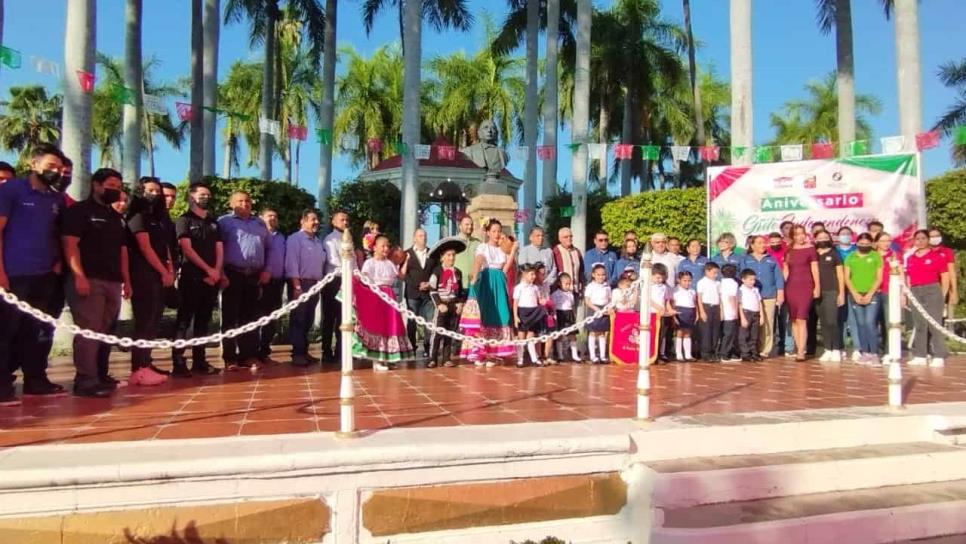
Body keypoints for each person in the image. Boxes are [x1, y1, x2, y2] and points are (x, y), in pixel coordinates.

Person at [0, 145, 68, 405]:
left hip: (44, 276)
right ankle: (2, 384)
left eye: (60, 169)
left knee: (36, 331)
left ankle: (35, 380)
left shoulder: (55, 199)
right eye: (51, 166)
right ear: (34, 164)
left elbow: (58, 234)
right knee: (6, 331)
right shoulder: (11, 190)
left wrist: (57, 264)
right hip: (13, 275)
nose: (56, 172)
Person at [61, 168, 129, 398]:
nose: (115, 190)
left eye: (119, 187)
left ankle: (99, 375)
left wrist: (125, 281)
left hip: (112, 281)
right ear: (96, 185)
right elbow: (70, 245)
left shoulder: (116, 217)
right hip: (89, 280)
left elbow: (122, 252)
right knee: (88, 331)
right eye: (110, 185)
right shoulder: (79, 212)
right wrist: (79, 276)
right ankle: (85, 380)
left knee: (103, 330)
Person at [125, 177, 174, 386]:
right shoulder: (137, 217)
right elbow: (145, 248)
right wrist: (163, 270)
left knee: (154, 322)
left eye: (157, 191)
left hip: (161, 274)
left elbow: (166, 247)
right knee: (144, 322)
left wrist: (170, 269)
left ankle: (147, 363)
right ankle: (138, 368)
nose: (154, 195)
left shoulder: (160, 218)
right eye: (150, 190)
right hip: (143, 274)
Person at [171, 182, 223, 377]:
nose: (206, 198)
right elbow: (186, 248)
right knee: (184, 321)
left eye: (208, 195)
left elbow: (219, 248)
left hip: (211, 279)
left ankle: (199, 361)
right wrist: (207, 269)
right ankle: (178, 361)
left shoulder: (213, 222)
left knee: (203, 321)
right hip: (191, 277)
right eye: (202, 194)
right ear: (191, 197)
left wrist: (216, 271)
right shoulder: (183, 220)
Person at [218, 191, 273, 371]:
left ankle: (247, 356)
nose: (245, 204)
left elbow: (269, 248)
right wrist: (221, 273)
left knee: (250, 317)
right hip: (232, 273)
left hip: (253, 276)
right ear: (231, 203)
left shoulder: (259, 223)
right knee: (230, 317)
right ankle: (229, 358)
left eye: (247, 200)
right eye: (240, 201)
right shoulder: (223, 222)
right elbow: (216, 250)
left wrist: (266, 270)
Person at [459, 219, 518, 365]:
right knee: (484, 315)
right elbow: (479, 261)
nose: (497, 234)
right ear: (487, 232)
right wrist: (475, 274)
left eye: (499, 231)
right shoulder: (482, 247)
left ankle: (494, 353)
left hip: (499, 281)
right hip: (486, 283)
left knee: (500, 314)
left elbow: (505, 268)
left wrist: (513, 251)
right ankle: (481, 353)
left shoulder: (502, 249)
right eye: (494, 231)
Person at [354, 235, 414, 370]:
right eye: (383, 246)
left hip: (389, 295)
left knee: (390, 326)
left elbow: (401, 276)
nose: (386, 249)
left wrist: (406, 261)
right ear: (375, 248)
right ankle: (377, 360)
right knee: (379, 327)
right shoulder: (369, 263)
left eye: (388, 246)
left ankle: (389, 357)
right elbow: (364, 279)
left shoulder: (390, 264)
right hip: (376, 295)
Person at [285, 209, 326, 367]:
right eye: (312, 219)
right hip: (300, 283)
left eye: (317, 220)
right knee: (298, 319)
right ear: (303, 221)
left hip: (315, 284)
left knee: (308, 319)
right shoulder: (295, 239)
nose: (315, 223)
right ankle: (297, 353)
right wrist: (296, 286)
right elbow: (292, 263)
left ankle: (304, 350)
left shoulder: (318, 241)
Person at [905, 230, 950, 367]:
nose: (920, 241)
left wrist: (942, 295)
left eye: (923, 238)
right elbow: (908, 277)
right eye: (917, 239)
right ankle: (921, 355)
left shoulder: (937, 256)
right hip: (915, 290)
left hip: (932, 289)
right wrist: (907, 294)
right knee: (919, 324)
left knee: (935, 324)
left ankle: (938, 355)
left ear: (928, 239)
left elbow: (945, 277)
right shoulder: (911, 258)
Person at [741, 235, 785, 358]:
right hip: (750, 298)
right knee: (751, 324)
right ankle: (750, 348)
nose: (762, 245)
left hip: (768, 295)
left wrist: (780, 293)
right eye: (759, 243)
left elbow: (778, 277)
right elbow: (742, 275)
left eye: (764, 243)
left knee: (767, 323)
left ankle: (764, 350)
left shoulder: (771, 259)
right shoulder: (745, 259)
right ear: (752, 245)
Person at [844, 233, 884, 364]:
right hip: (855, 294)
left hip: (872, 294)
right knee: (860, 324)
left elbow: (879, 277)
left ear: (871, 244)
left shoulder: (876, 256)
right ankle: (865, 352)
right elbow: (847, 277)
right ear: (857, 243)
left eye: (867, 244)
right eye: (862, 243)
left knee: (870, 323)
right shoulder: (851, 257)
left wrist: (870, 293)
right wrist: (854, 293)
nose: (864, 246)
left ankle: (874, 353)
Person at [783, 225, 820, 361]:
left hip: (806, 286)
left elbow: (815, 269)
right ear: (792, 236)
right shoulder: (789, 250)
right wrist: (783, 286)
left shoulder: (810, 249)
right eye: (797, 234)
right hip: (791, 286)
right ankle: (798, 347)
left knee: (801, 318)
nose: (800, 237)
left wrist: (817, 287)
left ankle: (801, 351)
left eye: (802, 234)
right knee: (794, 319)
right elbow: (786, 269)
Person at [256, 208, 287, 365]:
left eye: (275, 216)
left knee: (272, 318)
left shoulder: (281, 237)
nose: (273, 218)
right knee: (257, 317)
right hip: (261, 281)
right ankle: (252, 353)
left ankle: (264, 351)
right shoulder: (258, 234)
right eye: (269, 216)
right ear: (261, 217)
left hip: (278, 282)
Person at [427, 244, 464, 368]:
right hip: (442, 304)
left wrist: (460, 303)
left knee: (449, 333)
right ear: (442, 257)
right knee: (437, 332)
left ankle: (446, 358)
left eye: (453, 255)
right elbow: (432, 290)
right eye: (448, 255)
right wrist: (439, 304)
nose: (451, 258)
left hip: (453, 304)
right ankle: (432, 358)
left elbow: (460, 291)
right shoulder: (437, 271)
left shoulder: (458, 272)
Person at [321, 211, 351, 363]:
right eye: (342, 220)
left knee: (343, 316)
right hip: (333, 280)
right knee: (329, 317)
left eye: (346, 220)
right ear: (333, 222)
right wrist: (347, 267)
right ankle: (326, 351)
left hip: (347, 280)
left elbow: (352, 260)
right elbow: (333, 260)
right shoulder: (329, 240)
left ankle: (341, 350)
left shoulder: (349, 239)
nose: (345, 222)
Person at [401, 228, 434, 358]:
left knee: (430, 322)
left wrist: (429, 284)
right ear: (414, 238)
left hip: (428, 294)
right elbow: (403, 274)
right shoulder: (406, 254)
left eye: (425, 236)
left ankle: (428, 347)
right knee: (411, 322)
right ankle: (411, 347)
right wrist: (416, 285)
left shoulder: (432, 253)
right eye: (420, 236)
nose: (423, 238)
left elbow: (436, 270)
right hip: (412, 294)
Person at [814, 230, 845, 362]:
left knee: (832, 321)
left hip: (832, 291)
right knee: (824, 322)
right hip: (817, 292)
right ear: (815, 240)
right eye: (820, 238)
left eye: (825, 237)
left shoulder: (834, 254)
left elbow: (840, 275)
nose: (823, 240)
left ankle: (837, 349)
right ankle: (827, 349)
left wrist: (841, 293)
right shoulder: (813, 254)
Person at [513, 264, 547, 367]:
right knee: (522, 337)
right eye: (531, 274)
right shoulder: (519, 288)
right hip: (523, 312)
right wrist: (515, 316)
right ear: (524, 274)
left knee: (531, 336)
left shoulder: (535, 288)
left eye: (534, 274)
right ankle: (520, 359)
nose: (534, 276)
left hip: (533, 312)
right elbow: (515, 303)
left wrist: (543, 302)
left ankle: (534, 358)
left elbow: (539, 299)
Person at [834, 226, 859, 358]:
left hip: (853, 287)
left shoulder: (856, 250)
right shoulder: (834, 250)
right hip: (838, 288)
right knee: (840, 319)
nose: (845, 236)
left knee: (853, 319)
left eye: (847, 234)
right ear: (838, 236)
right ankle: (840, 347)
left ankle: (857, 347)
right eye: (842, 234)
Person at [584, 263, 612, 364]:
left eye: (603, 274)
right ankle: (592, 356)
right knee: (593, 332)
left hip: (604, 310)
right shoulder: (590, 286)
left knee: (602, 333)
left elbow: (609, 299)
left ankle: (602, 355)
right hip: (594, 309)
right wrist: (596, 309)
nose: (601, 277)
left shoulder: (607, 286)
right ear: (593, 275)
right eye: (598, 274)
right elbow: (587, 301)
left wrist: (608, 308)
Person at [929, 228, 958, 319]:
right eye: (932, 236)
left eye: (937, 236)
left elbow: (952, 272)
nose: (935, 238)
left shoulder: (947, 252)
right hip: (929, 288)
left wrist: (954, 291)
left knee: (946, 315)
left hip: (945, 287)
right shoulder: (925, 252)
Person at [875, 231, 898, 349]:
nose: (886, 243)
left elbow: (900, 273)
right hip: (874, 292)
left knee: (888, 321)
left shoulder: (893, 255)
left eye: (888, 241)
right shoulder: (872, 255)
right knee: (874, 321)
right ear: (877, 242)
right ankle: (873, 349)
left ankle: (889, 349)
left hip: (889, 291)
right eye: (883, 241)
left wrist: (902, 293)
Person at [551, 273, 580, 362]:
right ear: (560, 283)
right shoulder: (555, 294)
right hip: (560, 314)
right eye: (566, 284)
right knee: (559, 335)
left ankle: (575, 355)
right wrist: (554, 315)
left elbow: (572, 304)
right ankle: (560, 355)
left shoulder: (570, 294)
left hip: (569, 313)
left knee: (572, 335)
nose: (568, 286)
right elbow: (553, 306)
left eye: (569, 284)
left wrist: (573, 314)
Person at [737, 269, 765, 362]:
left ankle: (754, 353)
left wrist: (762, 315)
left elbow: (759, 302)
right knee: (744, 335)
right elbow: (739, 304)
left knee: (754, 335)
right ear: (743, 279)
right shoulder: (740, 290)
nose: (752, 282)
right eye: (750, 279)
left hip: (756, 314)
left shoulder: (755, 290)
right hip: (746, 313)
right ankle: (745, 353)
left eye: (754, 280)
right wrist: (742, 318)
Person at [696, 262, 722, 361]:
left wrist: (721, 310)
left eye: (717, 273)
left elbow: (719, 297)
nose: (715, 275)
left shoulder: (718, 283)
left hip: (716, 307)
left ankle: (714, 351)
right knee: (706, 331)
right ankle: (705, 353)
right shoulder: (701, 282)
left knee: (715, 331)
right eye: (714, 272)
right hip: (706, 307)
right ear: (707, 271)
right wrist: (702, 311)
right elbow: (699, 298)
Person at [672, 271, 697, 362]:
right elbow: (673, 304)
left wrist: (696, 314)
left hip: (690, 311)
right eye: (684, 280)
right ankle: (679, 354)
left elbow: (694, 303)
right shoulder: (675, 290)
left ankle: (688, 354)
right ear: (679, 280)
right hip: (679, 311)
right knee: (679, 332)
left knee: (688, 333)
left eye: (689, 280)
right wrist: (674, 315)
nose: (687, 283)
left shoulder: (692, 291)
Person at [718, 264, 741, 363]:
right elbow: (732, 298)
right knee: (729, 334)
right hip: (730, 312)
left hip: (722, 311)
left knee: (724, 334)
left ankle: (722, 352)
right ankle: (725, 354)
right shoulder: (733, 283)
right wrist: (735, 311)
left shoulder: (721, 282)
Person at [552, 227, 583, 293]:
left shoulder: (577, 251)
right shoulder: (556, 251)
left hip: (575, 290)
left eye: (570, 236)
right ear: (560, 239)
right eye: (566, 237)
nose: (569, 239)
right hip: (561, 292)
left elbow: (581, 271)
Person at [454, 215, 481, 289]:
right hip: (457, 285)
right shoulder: (453, 242)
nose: (470, 227)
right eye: (467, 224)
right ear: (460, 226)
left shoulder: (478, 243)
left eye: (471, 224)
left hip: (474, 285)